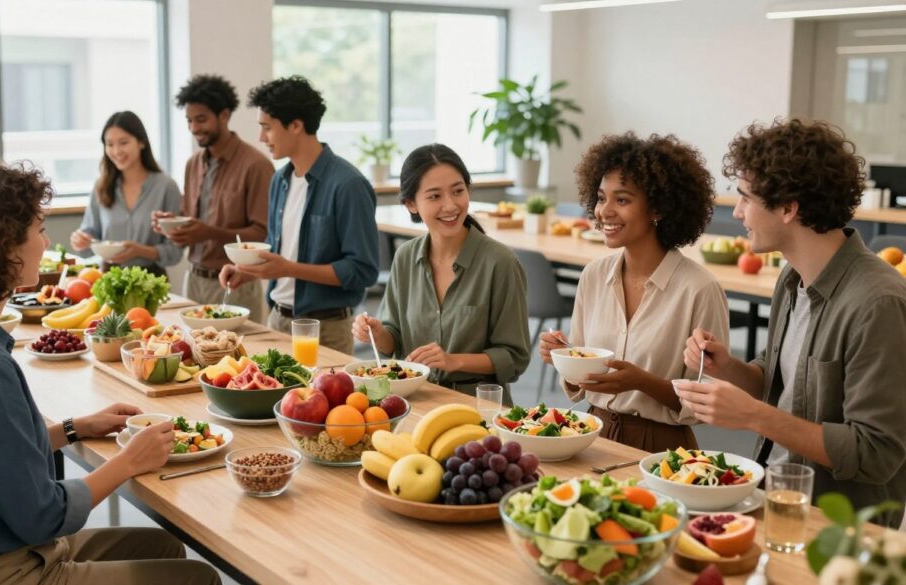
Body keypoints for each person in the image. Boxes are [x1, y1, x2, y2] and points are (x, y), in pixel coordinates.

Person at [0, 163, 221, 584]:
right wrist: (127, 462)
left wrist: (73, 428)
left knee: (164, 547)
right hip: (7, 567)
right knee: (198, 578)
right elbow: (43, 515)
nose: (47, 241)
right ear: (2, 248)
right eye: (39, 229)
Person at [675, 119, 906, 527]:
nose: (739, 211)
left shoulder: (878, 303)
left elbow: (875, 453)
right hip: (778, 498)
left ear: (788, 207)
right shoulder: (793, 277)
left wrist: (752, 416)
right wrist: (727, 368)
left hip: (841, 529)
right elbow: (780, 383)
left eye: (745, 198)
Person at [538, 133, 729, 452]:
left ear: (657, 208)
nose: (604, 212)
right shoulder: (594, 276)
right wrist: (563, 360)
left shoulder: (699, 289)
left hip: (661, 447)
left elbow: (707, 399)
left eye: (622, 200)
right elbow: (579, 381)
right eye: (601, 198)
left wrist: (641, 382)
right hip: (591, 434)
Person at [352, 144, 530, 398]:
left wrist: (453, 360)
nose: (450, 205)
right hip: (414, 399)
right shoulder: (405, 257)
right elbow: (395, 342)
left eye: (458, 191)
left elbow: (515, 358)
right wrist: (378, 333)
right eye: (435, 196)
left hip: (478, 405)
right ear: (411, 204)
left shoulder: (500, 263)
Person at [221, 76, 379, 354]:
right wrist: (246, 271)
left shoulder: (348, 184)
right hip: (277, 320)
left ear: (296, 125)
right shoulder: (279, 180)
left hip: (326, 329)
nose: (261, 138)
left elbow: (362, 271)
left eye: (266, 128)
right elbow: (279, 252)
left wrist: (288, 268)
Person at [153, 74, 273, 323]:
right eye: (189, 120)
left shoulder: (257, 165)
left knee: (237, 358)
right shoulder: (193, 164)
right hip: (194, 279)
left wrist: (207, 232)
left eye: (201, 119)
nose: (194, 128)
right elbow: (192, 221)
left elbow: (263, 235)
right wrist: (171, 225)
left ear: (224, 115)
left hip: (234, 282)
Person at [71, 111, 182, 278]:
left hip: (152, 280)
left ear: (141, 142)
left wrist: (140, 251)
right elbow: (89, 242)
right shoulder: (101, 187)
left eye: (123, 143)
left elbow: (174, 252)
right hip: (109, 278)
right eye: (109, 144)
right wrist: (80, 241)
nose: (116, 151)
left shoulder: (166, 186)